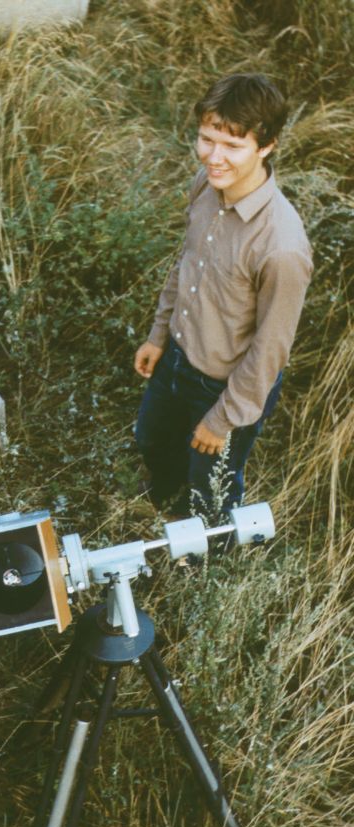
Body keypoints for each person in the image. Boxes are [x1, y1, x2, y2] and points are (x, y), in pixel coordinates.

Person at [134, 73, 313, 519]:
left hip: (223, 387)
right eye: (207, 139)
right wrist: (159, 335)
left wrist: (221, 419)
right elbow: (186, 263)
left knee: (211, 487)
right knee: (151, 440)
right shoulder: (205, 184)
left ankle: (209, 546)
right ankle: (166, 501)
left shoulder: (282, 246)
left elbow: (270, 349)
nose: (214, 158)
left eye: (232, 146)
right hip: (176, 357)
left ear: (266, 146)